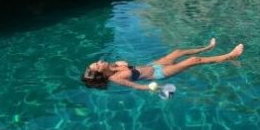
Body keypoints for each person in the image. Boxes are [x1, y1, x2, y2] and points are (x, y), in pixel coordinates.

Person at [81, 39, 243, 91]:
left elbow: (132, 67)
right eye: (97, 64)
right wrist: (156, 88)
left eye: (97, 61)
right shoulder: (116, 78)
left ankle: (208, 47)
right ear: (100, 73)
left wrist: (123, 64)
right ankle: (230, 56)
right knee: (193, 61)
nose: (100, 61)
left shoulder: (114, 65)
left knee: (178, 51)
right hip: (159, 73)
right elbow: (138, 87)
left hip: (153, 64)